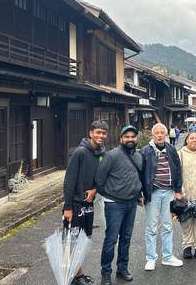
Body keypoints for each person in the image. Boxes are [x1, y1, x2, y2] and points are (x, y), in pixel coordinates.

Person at [95, 125, 144, 285]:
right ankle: (106, 273)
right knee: (111, 239)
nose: (130, 139)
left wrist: (138, 194)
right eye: (126, 137)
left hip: (131, 204)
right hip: (114, 204)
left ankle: (122, 268)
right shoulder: (111, 155)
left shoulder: (138, 156)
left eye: (133, 137)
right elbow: (99, 180)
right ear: (121, 139)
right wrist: (111, 194)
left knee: (126, 238)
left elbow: (138, 177)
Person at [63, 120, 107, 285]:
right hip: (74, 205)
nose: (100, 135)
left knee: (83, 240)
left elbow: (100, 177)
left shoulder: (102, 154)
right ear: (90, 133)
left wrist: (95, 189)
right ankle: (76, 276)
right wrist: (67, 207)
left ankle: (77, 273)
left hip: (88, 205)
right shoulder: (80, 152)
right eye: (98, 132)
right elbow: (69, 181)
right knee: (73, 241)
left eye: (103, 133)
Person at [141, 123, 183, 271]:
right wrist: (141, 193)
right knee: (151, 227)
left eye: (162, 133)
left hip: (169, 192)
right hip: (153, 193)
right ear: (152, 135)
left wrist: (178, 190)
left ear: (166, 135)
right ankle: (151, 258)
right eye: (156, 133)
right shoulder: (145, 151)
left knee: (167, 225)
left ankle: (167, 257)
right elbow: (140, 173)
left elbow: (178, 169)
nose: (159, 135)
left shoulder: (171, 149)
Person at [178, 131, 196, 259]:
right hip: (185, 195)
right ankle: (187, 246)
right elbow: (177, 174)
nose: (194, 140)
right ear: (187, 140)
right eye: (192, 138)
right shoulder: (181, 154)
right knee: (186, 221)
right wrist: (180, 191)